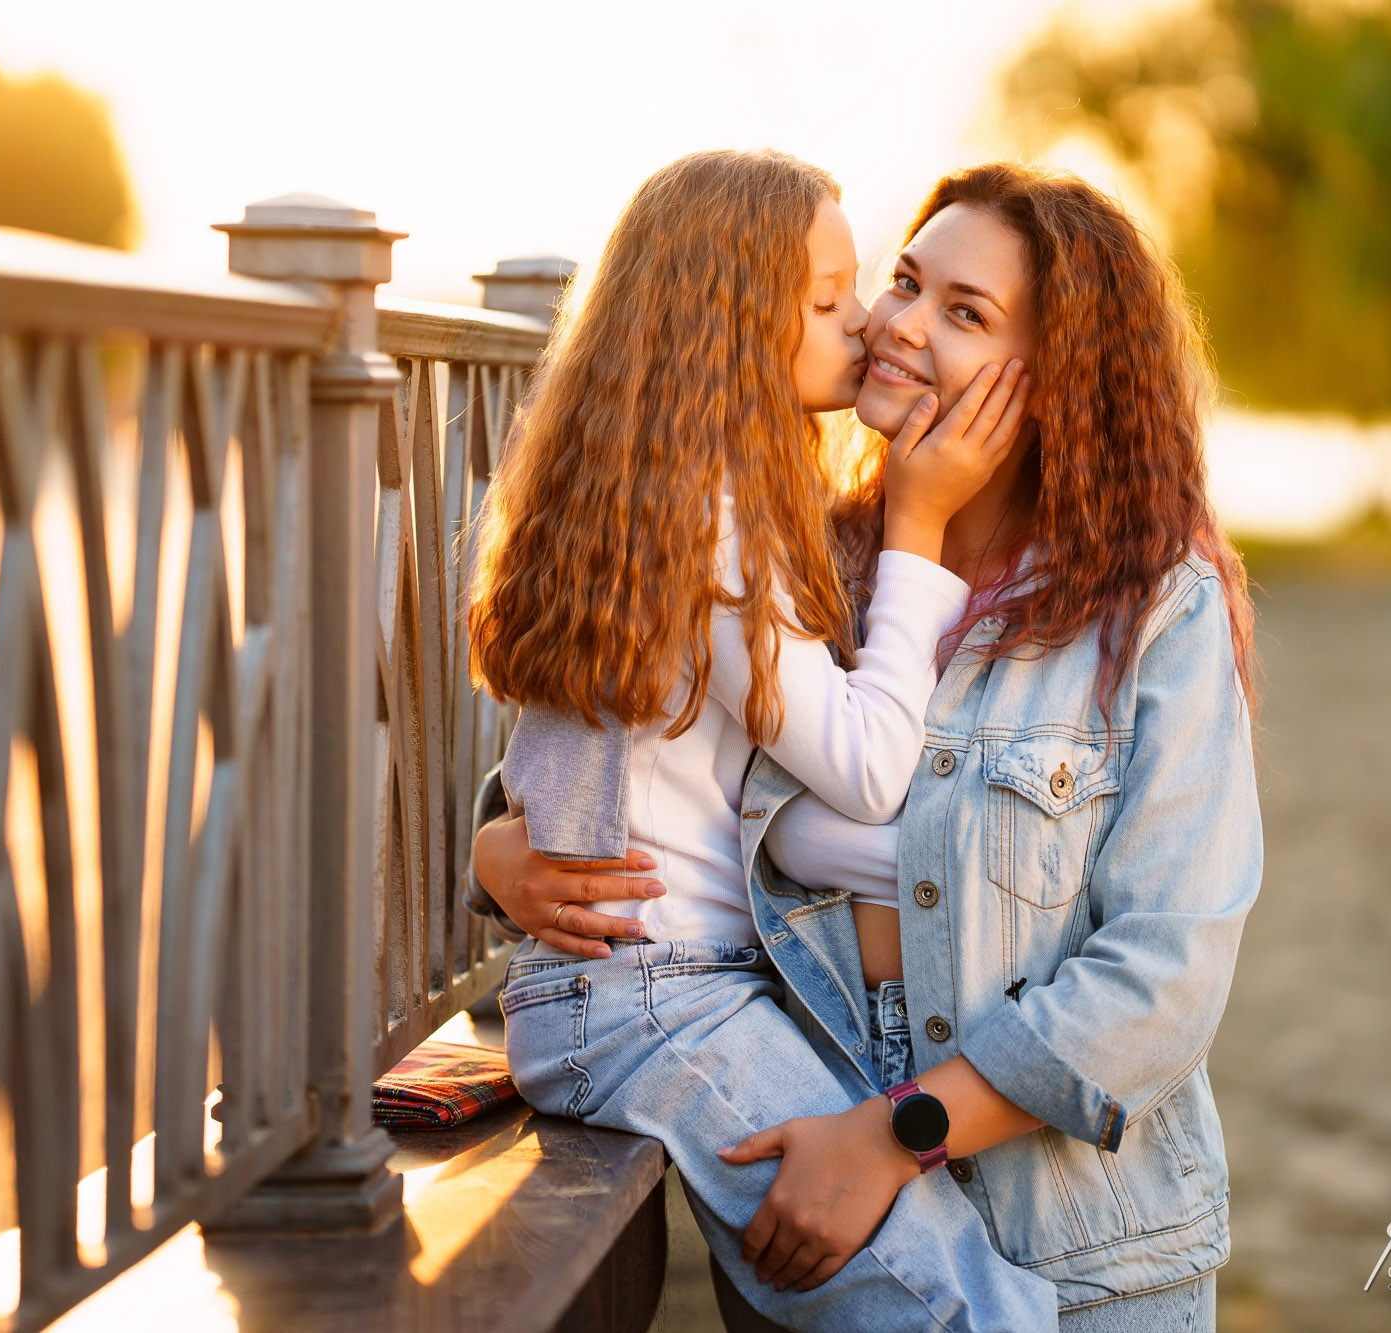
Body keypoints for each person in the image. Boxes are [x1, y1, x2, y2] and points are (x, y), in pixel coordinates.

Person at [473, 162, 1262, 1330]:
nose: (892, 325)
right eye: (901, 282)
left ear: (1057, 381)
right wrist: (497, 850)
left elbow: (1165, 971)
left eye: (964, 312)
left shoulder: (1149, 608)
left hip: (1067, 1228)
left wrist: (896, 1134)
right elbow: (623, 743)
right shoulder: (813, 563)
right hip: (802, 1140)